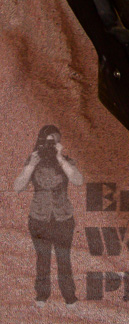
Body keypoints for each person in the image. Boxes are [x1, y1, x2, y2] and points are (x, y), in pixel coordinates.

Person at [14, 124, 83, 307]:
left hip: (63, 218)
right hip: (39, 218)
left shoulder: (65, 161)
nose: (51, 146)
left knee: (64, 258)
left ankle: (69, 296)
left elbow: (78, 180)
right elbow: (17, 187)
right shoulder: (33, 160)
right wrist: (31, 166)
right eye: (48, 142)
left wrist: (60, 158)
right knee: (42, 258)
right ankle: (42, 295)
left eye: (55, 142)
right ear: (40, 142)